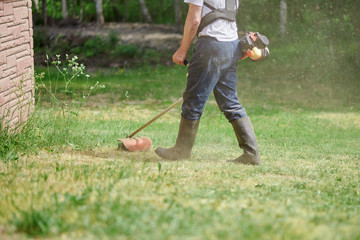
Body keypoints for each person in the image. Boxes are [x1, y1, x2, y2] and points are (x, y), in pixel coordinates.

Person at [155, 0, 261, 165]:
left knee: (193, 100)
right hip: (232, 46)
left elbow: (194, 20)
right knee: (230, 102)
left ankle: (181, 150)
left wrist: (182, 51)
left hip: (210, 46)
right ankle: (251, 153)